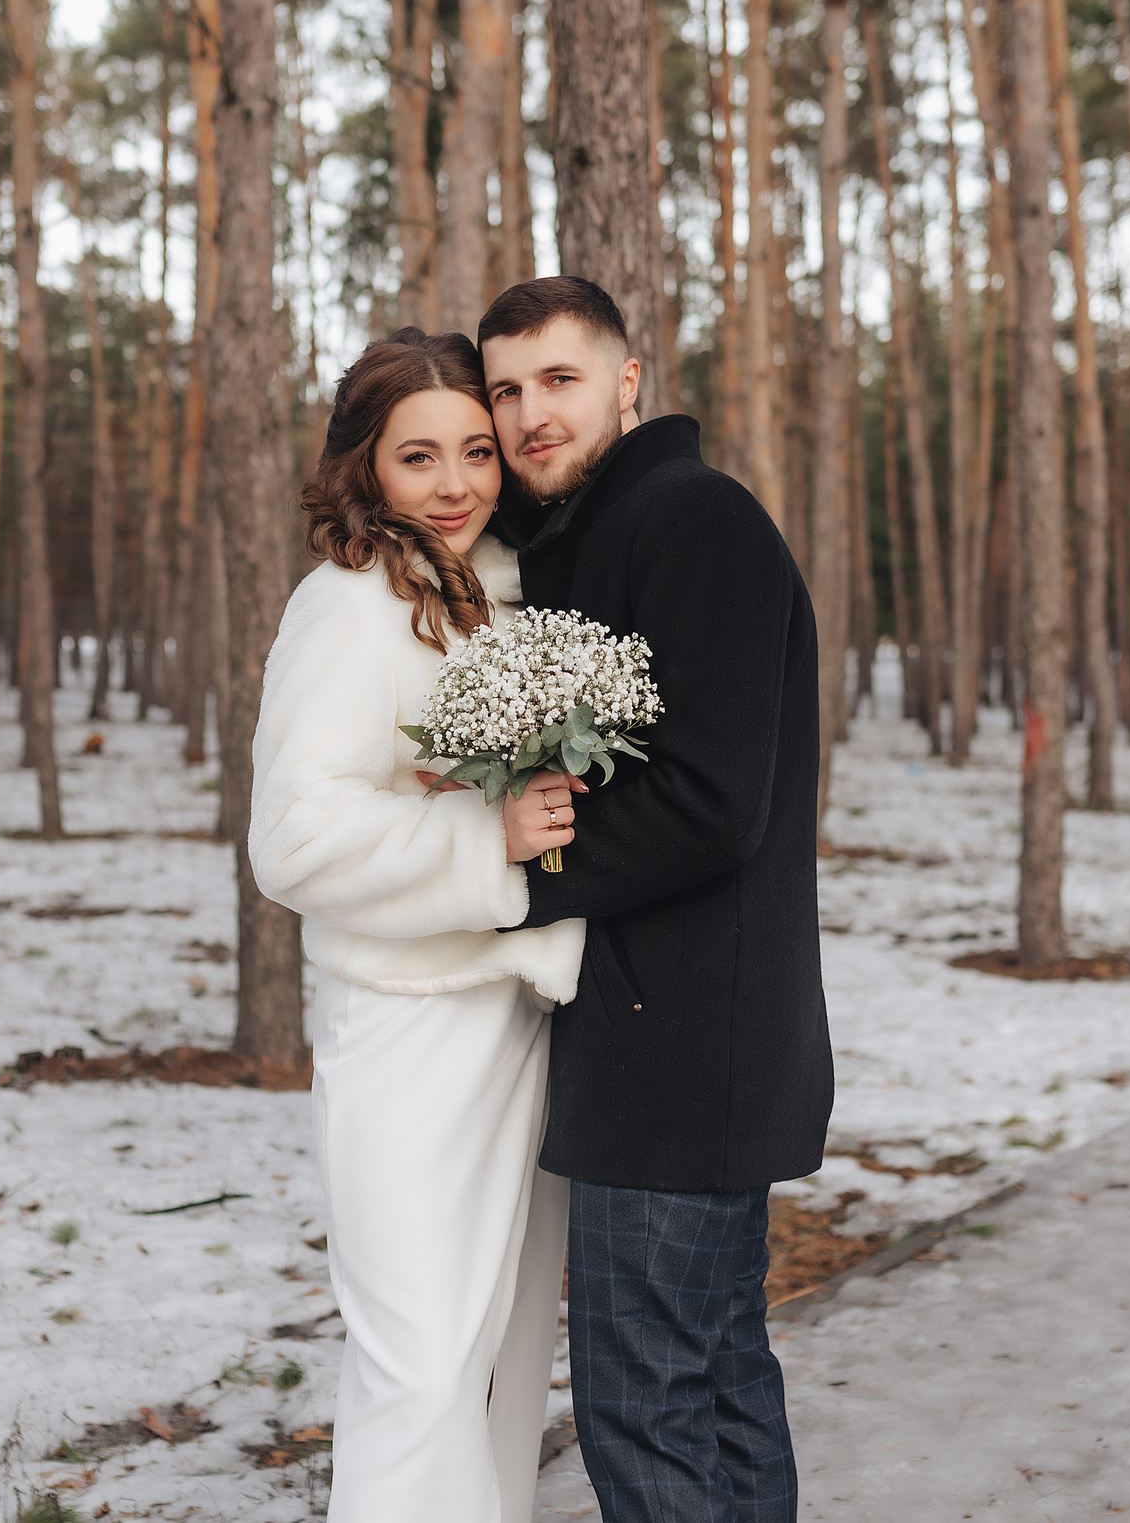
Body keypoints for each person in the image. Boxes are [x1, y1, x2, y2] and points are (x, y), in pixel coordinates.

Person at [480, 276, 834, 1523]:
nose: (531, 414)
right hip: (665, 1035)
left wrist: (516, 871)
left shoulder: (695, 523)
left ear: (628, 382)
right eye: (507, 389)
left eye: (559, 380)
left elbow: (713, 799)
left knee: (645, 1396)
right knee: (715, 1372)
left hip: (687, 1041)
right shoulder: (584, 543)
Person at [248, 327, 585, 1523]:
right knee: (420, 1361)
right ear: (365, 468)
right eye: (419, 457)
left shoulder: (506, 588)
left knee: (497, 1365)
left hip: (513, 1015)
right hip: (402, 1027)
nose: (454, 485)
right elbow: (292, 839)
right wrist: (479, 839)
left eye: (477, 453)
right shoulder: (343, 606)